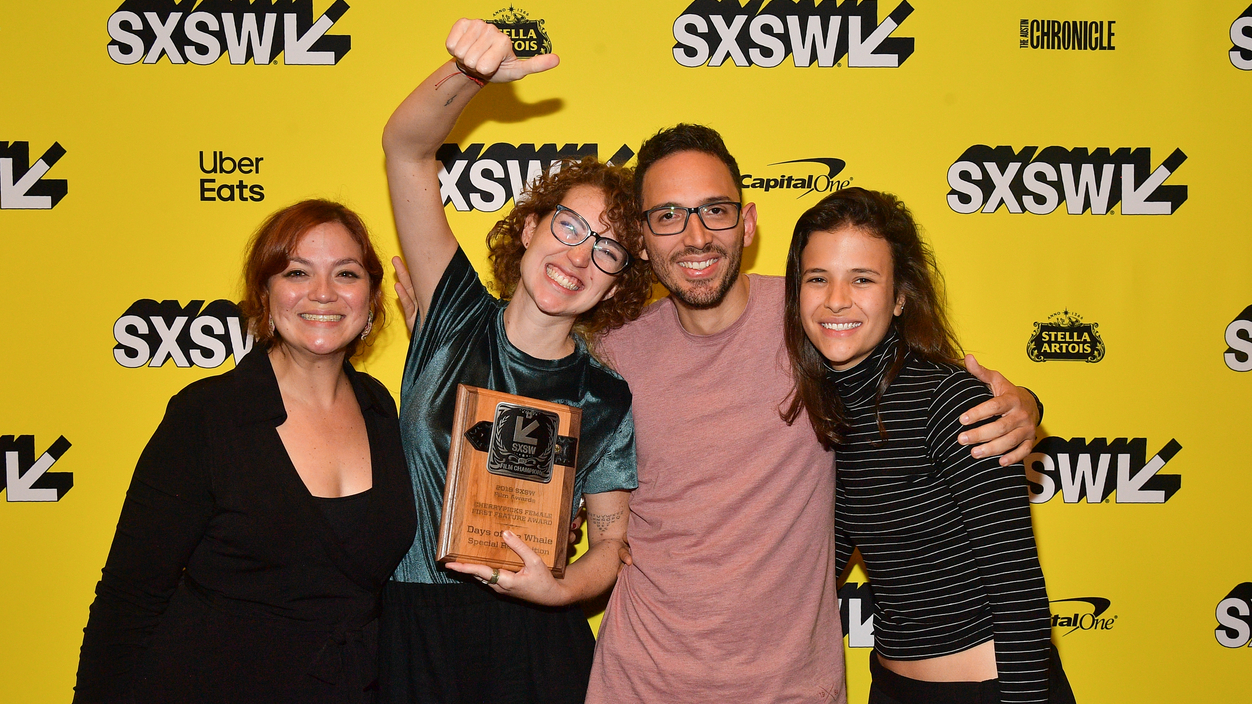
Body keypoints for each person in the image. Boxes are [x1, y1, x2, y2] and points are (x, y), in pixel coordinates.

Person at [584, 126, 1044, 704]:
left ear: (747, 223)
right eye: (669, 214)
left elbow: (1019, 594)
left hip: (827, 688)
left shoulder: (839, 338)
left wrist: (1023, 403)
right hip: (651, 682)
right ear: (642, 240)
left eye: (715, 210)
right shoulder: (614, 357)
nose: (695, 235)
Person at [377, 20, 654, 704]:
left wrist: (556, 586)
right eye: (568, 227)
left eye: (607, 251)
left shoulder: (605, 396)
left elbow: (612, 544)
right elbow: (406, 150)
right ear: (531, 227)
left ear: (615, 284)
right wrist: (469, 76)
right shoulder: (451, 314)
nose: (578, 256)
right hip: (415, 626)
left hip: (536, 643)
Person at [74, 199, 418, 704]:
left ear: (370, 299)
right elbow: (130, 600)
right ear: (265, 293)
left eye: (345, 274)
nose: (323, 293)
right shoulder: (207, 416)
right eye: (297, 272)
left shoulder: (382, 411)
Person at [782, 187, 1057, 704]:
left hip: (991, 692)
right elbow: (823, 561)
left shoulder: (950, 401)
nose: (836, 299)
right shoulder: (831, 412)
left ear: (901, 295)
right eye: (818, 278)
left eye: (862, 279)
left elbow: (1018, 588)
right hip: (889, 687)